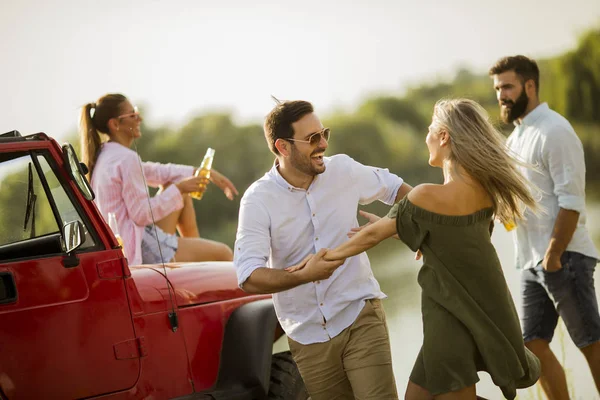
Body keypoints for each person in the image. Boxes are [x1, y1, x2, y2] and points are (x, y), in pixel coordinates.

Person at [314, 99, 541, 399]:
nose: (426, 138)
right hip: (475, 314)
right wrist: (398, 228)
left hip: (449, 320)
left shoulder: (426, 196)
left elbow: (371, 238)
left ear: (444, 137)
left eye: (430, 130)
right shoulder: (485, 194)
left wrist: (325, 258)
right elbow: (454, 241)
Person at [233, 99, 412, 400]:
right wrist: (306, 275)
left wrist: (414, 231)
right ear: (282, 147)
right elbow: (248, 275)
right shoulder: (257, 200)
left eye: (324, 133)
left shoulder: (343, 169)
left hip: (359, 314)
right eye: (312, 138)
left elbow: (401, 192)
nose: (323, 144)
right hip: (307, 337)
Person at [489, 55, 600, 399]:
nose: (501, 95)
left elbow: (571, 201)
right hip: (531, 262)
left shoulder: (555, 130)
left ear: (530, 86)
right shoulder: (514, 140)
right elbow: (512, 207)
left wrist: (553, 257)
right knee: (531, 345)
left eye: (507, 86)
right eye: (497, 89)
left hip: (563, 257)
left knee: (590, 343)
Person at [79, 93, 238, 266]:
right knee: (223, 253)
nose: (139, 118)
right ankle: (199, 266)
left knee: (175, 186)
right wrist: (180, 189)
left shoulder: (106, 155)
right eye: (132, 115)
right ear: (115, 124)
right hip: (138, 248)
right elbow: (141, 215)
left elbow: (159, 172)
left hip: (130, 242)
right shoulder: (126, 159)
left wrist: (203, 173)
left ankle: (197, 266)